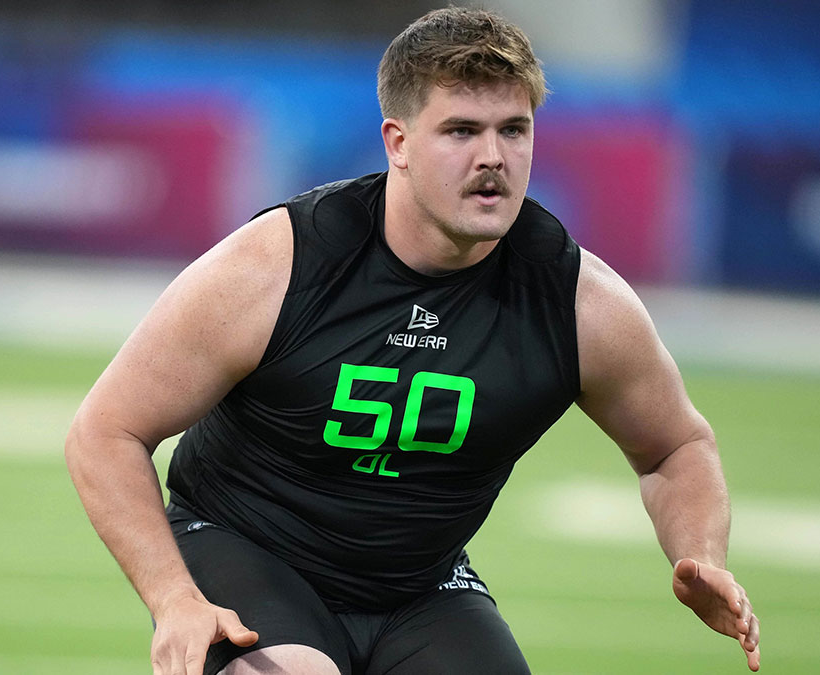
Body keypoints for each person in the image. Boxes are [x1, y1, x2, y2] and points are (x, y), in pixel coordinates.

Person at [65, 7, 760, 675]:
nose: (493, 157)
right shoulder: (279, 264)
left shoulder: (578, 301)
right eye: (461, 130)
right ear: (397, 142)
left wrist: (702, 554)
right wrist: (173, 598)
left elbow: (675, 445)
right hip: (246, 546)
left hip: (418, 585)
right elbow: (106, 430)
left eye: (513, 130)